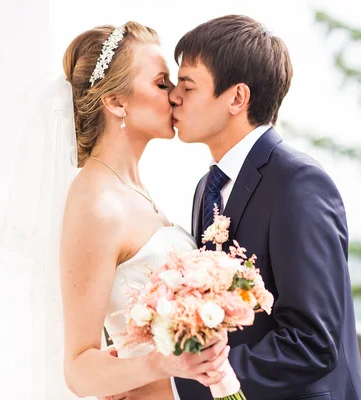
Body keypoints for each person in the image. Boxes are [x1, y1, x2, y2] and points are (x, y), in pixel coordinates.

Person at [168, 15, 361, 400]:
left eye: (187, 86)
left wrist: (185, 384)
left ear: (236, 98)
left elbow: (312, 342)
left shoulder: (298, 183)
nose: (174, 96)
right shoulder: (205, 190)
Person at [57, 22, 231, 400]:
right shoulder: (96, 204)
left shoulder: (135, 190)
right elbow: (78, 369)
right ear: (116, 101)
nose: (175, 96)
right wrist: (162, 364)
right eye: (161, 82)